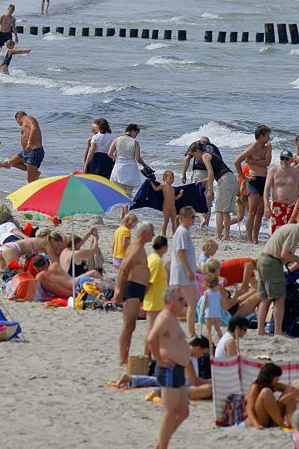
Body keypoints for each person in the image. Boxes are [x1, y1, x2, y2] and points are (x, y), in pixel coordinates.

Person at [256, 223, 299, 336]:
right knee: (280, 298)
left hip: (263, 259)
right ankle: (278, 331)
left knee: (265, 298)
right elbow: (285, 255)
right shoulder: (295, 231)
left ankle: (260, 329)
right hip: (272, 263)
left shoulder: (290, 227)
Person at [147, 287, 191, 448]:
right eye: (180, 300)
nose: (183, 303)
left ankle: (160, 444)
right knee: (171, 412)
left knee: (183, 412)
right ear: (170, 301)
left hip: (178, 369)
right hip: (169, 369)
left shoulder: (172, 318)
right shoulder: (164, 318)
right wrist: (159, 359)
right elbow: (151, 338)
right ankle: (162, 446)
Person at [114, 221, 153, 366]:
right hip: (132, 288)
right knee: (128, 324)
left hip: (139, 288)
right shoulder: (136, 248)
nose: (154, 235)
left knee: (132, 326)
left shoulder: (139, 248)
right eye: (151, 232)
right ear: (144, 234)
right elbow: (124, 268)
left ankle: (125, 356)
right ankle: (122, 358)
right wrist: (118, 290)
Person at [234, 124, 272, 244]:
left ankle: (255, 237)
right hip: (254, 180)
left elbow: (267, 162)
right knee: (252, 210)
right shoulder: (253, 146)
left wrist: (253, 161)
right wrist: (244, 177)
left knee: (260, 212)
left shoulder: (267, 147)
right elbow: (237, 161)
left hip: (264, 179)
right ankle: (249, 237)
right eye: (267, 135)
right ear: (261, 136)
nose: (269, 138)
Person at [169, 207, 198, 338]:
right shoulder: (181, 232)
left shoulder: (184, 231)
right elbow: (180, 253)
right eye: (192, 217)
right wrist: (188, 271)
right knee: (192, 302)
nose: (193, 220)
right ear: (184, 218)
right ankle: (191, 332)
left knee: (178, 303)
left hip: (181, 273)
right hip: (182, 273)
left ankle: (175, 329)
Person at [246, 363, 299, 429]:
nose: (278, 379)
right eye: (277, 377)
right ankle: (282, 424)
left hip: (272, 421)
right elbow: (249, 409)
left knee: (289, 391)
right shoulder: (255, 387)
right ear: (271, 377)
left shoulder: (275, 385)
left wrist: (285, 398)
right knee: (266, 391)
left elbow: (298, 391)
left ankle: (291, 424)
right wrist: (256, 425)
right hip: (258, 421)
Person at [264, 150, 299, 235]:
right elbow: (266, 189)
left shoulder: (296, 172)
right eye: (282, 158)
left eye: (286, 159)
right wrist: (266, 206)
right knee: (276, 234)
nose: (284, 161)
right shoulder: (273, 171)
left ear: (291, 160)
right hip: (278, 206)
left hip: (293, 206)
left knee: (291, 233)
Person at [109, 124, 151, 197]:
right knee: (128, 193)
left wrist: (117, 160)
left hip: (118, 168)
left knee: (121, 192)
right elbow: (138, 158)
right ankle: (127, 208)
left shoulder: (117, 139)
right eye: (136, 133)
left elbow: (109, 154)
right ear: (132, 131)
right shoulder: (135, 142)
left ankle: (123, 208)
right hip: (131, 169)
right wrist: (145, 165)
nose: (136, 136)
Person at [7, 110, 43, 183]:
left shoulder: (28, 118)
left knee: (30, 179)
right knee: (11, 162)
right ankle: (34, 172)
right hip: (26, 152)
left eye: (17, 122)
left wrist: (29, 143)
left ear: (19, 118)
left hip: (34, 151)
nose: (18, 124)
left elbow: (34, 127)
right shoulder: (25, 123)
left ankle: (34, 192)